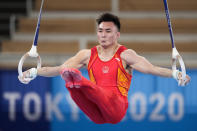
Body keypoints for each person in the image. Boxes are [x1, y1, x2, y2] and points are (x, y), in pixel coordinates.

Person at [19, 13, 190, 124]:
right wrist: (33, 72)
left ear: (117, 35)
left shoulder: (125, 55)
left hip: (117, 107)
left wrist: (176, 74)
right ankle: (73, 85)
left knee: (96, 90)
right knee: (71, 84)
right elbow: (57, 69)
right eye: (100, 31)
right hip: (96, 112)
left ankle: (80, 82)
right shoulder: (87, 55)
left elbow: (152, 69)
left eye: (108, 31)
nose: (103, 35)